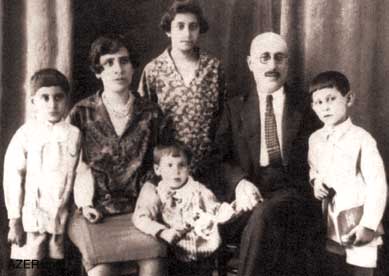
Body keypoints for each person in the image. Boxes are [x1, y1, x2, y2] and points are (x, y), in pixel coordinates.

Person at [215, 32, 320, 276]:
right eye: (264, 58)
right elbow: (217, 158)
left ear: (287, 64)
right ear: (250, 63)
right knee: (246, 221)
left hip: (293, 194)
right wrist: (239, 183)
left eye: (279, 58)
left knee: (264, 216)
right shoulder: (235, 107)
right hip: (250, 191)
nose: (272, 65)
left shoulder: (307, 106)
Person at [67, 34, 170, 276]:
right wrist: (84, 203)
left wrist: (152, 188)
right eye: (109, 63)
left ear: (133, 67)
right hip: (94, 212)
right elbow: (68, 167)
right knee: (101, 272)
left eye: (124, 61)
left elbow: (163, 164)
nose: (118, 69)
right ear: (97, 71)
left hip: (139, 211)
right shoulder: (81, 113)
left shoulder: (151, 113)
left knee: (154, 264)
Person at [138, 0, 226, 187]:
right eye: (180, 26)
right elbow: (144, 124)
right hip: (170, 169)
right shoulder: (153, 70)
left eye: (193, 27)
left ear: (199, 30)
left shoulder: (213, 67)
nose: (187, 33)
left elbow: (223, 117)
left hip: (207, 167)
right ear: (168, 31)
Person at [308, 71, 387, 276]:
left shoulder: (362, 139)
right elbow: (314, 168)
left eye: (331, 99)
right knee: (335, 268)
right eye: (318, 102)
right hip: (332, 220)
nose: (325, 106)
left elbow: (378, 185)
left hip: (359, 220)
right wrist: (316, 182)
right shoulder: (315, 139)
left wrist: (368, 225)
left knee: (361, 268)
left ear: (348, 98)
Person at [3, 68, 81, 276]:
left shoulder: (74, 134)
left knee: (57, 265)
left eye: (58, 97)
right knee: (29, 264)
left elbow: (81, 172)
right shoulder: (26, 133)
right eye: (44, 98)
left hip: (62, 214)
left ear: (66, 100)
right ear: (33, 103)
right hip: (32, 216)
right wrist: (14, 219)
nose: (52, 104)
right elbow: (12, 175)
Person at [133, 141, 236, 276]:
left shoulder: (198, 190)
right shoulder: (158, 192)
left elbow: (215, 209)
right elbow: (140, 217)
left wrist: (229, 211)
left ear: (188, 167)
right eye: (169, 165)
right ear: (157, 169)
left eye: (181, 165)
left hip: (203, 252)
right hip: (174, 253)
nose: (176, 171)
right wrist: (162, 232)